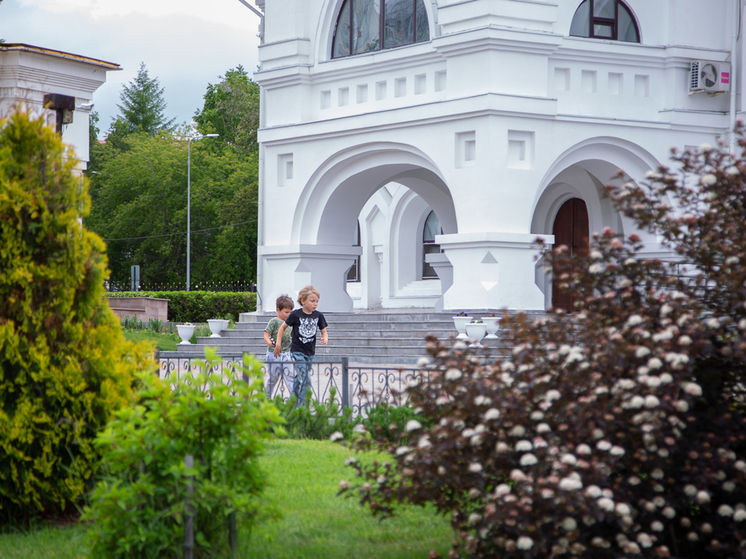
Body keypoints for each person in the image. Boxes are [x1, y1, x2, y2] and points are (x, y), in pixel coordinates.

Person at [274, 285, 328, 406]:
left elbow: (324, 331)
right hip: (297, 351)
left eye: (317, 301)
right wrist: (278, 344)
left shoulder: (318, 316)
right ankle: (303, 407)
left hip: (310, 353)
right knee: (306, 379)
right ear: (303, 301)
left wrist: (325, 338)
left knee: (299, 378)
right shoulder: (296, 315)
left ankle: (293, 402)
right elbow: (282, 327)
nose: (315, 304)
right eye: (312, 301)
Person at [263, 295, 294, 398]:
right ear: (278, 310)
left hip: (286, 353)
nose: (288, 315)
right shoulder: (274, 321)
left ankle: (294, 401)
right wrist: (269, 342)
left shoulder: (290, 323)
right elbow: (266, 334)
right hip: (274, 354)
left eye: (290, 312)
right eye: (286, 312)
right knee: (273, 378)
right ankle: (265, 398)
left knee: (290, 376)